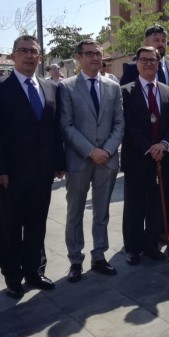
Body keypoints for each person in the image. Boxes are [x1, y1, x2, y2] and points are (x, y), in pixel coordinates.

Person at [0, 35, 66, 299]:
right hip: (11, 173)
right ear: (13, 56)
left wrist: (58, 162)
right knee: (9, 227)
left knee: (36, 224)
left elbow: (54, 129)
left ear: (40, 57)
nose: (29, 56)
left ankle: (34, 270)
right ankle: (12, 276)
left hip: (42, 172)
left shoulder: (50, 87)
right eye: (23, 51)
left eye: (34, 51)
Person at [59, 39, 124, 282]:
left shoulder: (112, 86)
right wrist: (90, 150)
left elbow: (119, 122)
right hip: (79, 159)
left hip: (107, 160)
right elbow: (65, 125)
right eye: (90, 54)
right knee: (74, 212)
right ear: (79, 57)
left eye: (98, 54)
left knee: (102, 211)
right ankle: (75, 260)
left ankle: (99, 256)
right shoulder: (66, 87)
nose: (96, 58)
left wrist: (106, 149)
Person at [121, 47, 169, 264]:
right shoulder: (126, 91)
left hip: (163, 158)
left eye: (153, 60)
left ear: (158, 62)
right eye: (144, 60)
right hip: (137, 157)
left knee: (157, 204)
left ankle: (152, 245)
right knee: (135, 205)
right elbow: (128, 125)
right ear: (136, 62)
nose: (148, 63)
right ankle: (133, 248)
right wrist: (149, 147)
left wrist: (164, 144)